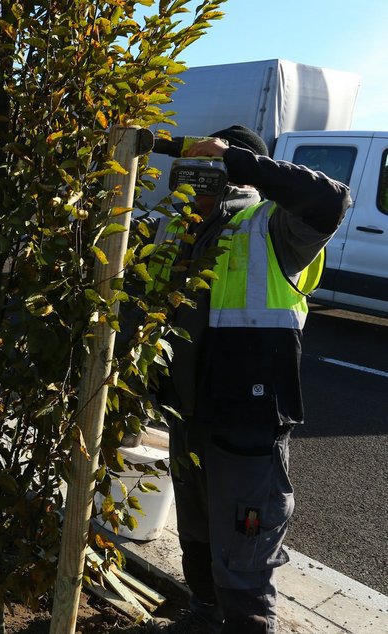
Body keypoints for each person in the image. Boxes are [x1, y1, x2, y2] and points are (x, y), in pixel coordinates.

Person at [146, 126, 351, 633]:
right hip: (187, 415)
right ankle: (201, 613)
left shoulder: (274, 228)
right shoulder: (177, 224)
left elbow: (330, 199)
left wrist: (235, 159)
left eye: (212, 164)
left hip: (248, 422)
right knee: (195, 530)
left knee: (245, 550)